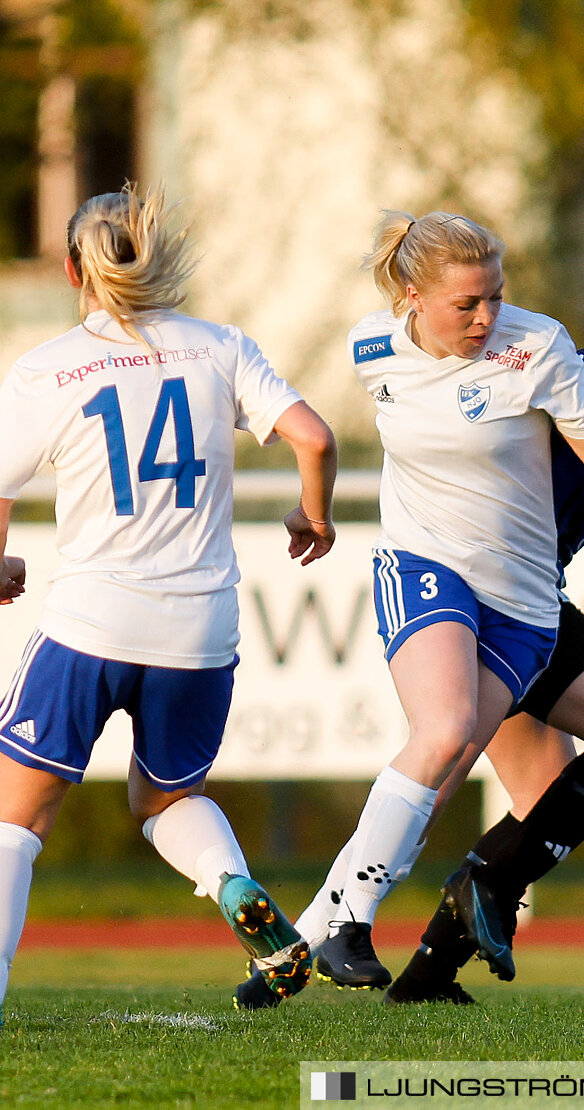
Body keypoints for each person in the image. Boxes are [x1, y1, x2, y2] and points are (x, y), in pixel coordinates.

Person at [283, 209, 584, 1002]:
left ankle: (408, 970)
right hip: (493, 587)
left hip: (524, 595)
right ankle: (337, 926)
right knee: (526, 755)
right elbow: (582, 425)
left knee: (532, 795)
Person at [0, 184, 339, 1021]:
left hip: (90, 621)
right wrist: (315, 514)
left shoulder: (48, 367)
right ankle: (232, 885)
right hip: (199, 630)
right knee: (165, 799)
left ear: (76, 269)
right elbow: (316, 437)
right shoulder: (219, 348)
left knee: (14, 819)